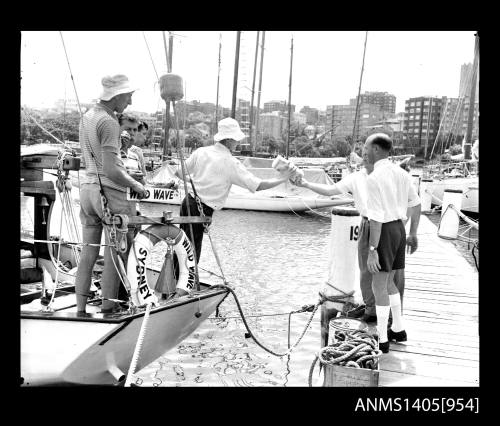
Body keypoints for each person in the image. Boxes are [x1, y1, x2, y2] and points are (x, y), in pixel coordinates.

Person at [172, 117, 293, 296]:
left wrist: (196, 184)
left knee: (182, 246)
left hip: (188, 202)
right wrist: (282, 179)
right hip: (201, 208)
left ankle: (175, 282)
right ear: (229, 140)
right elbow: (257, 185)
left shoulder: (201, 152)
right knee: (192, 250)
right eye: (236, 140)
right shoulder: (230, 162)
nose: (237, 144)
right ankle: (181, 292)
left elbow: (178, 171)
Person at [296, 150, 405, 323]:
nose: (365, 158)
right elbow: (331, 189)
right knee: (367, 269)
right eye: (365, 156)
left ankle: (394, 315)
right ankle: (371, 309)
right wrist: (306, 184)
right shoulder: (356, 177)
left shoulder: (394, 174)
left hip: (391, 224)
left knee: (393, 272)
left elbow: (408, 202)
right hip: (368, 223)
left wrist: (410, 231)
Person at [74, 74, 147, 314]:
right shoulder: (109, 122)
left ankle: (81, 309)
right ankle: (108, 310)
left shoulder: (87, 117)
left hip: (87, 189)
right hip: (109, 192)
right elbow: (112, 169)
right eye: (128, 96)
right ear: (116, 96)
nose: (130, 103)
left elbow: (93, 161)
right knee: (115, 253)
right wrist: (137, 187)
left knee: (88, 251)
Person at [363, 133, 421, 353]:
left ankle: (382, 338)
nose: (364, 150)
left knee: (378, 284)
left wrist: (371, 250)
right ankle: (398, 327)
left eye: (366, 146)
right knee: (389, 283)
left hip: (385, 229)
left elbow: (376, 218)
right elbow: (416, 204)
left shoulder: (374, 178)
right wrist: (413, 233)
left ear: (376, 149)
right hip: (399, 228)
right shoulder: (402, 173)